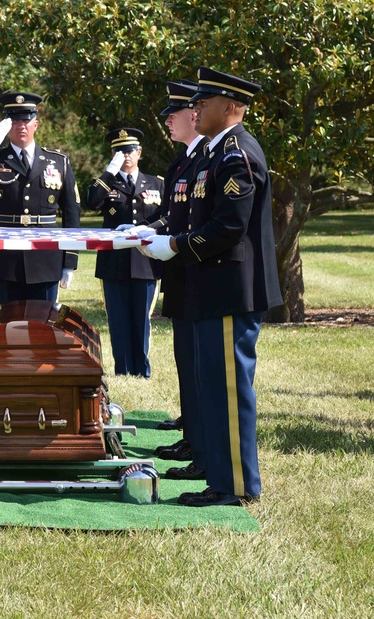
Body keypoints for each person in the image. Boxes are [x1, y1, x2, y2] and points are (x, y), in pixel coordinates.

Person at [140, 66, 283, 507]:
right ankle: (220, 476)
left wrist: (175, 246)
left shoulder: (237, 153)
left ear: (231, 107)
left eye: (204, 102)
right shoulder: (217, 152)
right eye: (196, 102)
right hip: (213, 287)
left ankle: (236, 485)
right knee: (211, 389)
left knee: (227, 393)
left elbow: (228, 227)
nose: (195, 108)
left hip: (228, 289)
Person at [0, 91, 81, 304]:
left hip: (45, 258)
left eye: (26, 119)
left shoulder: (58, 161)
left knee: (43, 328)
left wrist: (70, 259)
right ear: (5, 126)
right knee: (7, 329)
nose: (21, 125)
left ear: (36, 124)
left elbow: (71, 212)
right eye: (14, 120)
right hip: (5, 259)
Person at [152, 80, 210, 480]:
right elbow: (174, 216)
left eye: (173, 114)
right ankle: (193, 434)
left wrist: (166, 241)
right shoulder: (184, 161)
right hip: (184, 274)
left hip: (197, 272)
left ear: (194, 114)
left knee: (198, 365)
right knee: (186, 362)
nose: (167, 121)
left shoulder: (207, 157)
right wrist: (142, 230)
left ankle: (201, 441)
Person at [84, 128, 164, 378]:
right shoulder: (108, 183)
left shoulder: (156, 183)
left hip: (145, 261)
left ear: (139, 153)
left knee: (142, 319)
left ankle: (142, 369)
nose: (125, 155)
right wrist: (109, 171)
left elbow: (167, 216)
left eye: (129, 150)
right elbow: (91, 202)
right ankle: (123, 370)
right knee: (118, 320)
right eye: (119, 151)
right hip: (113, 261)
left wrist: (147, 228)